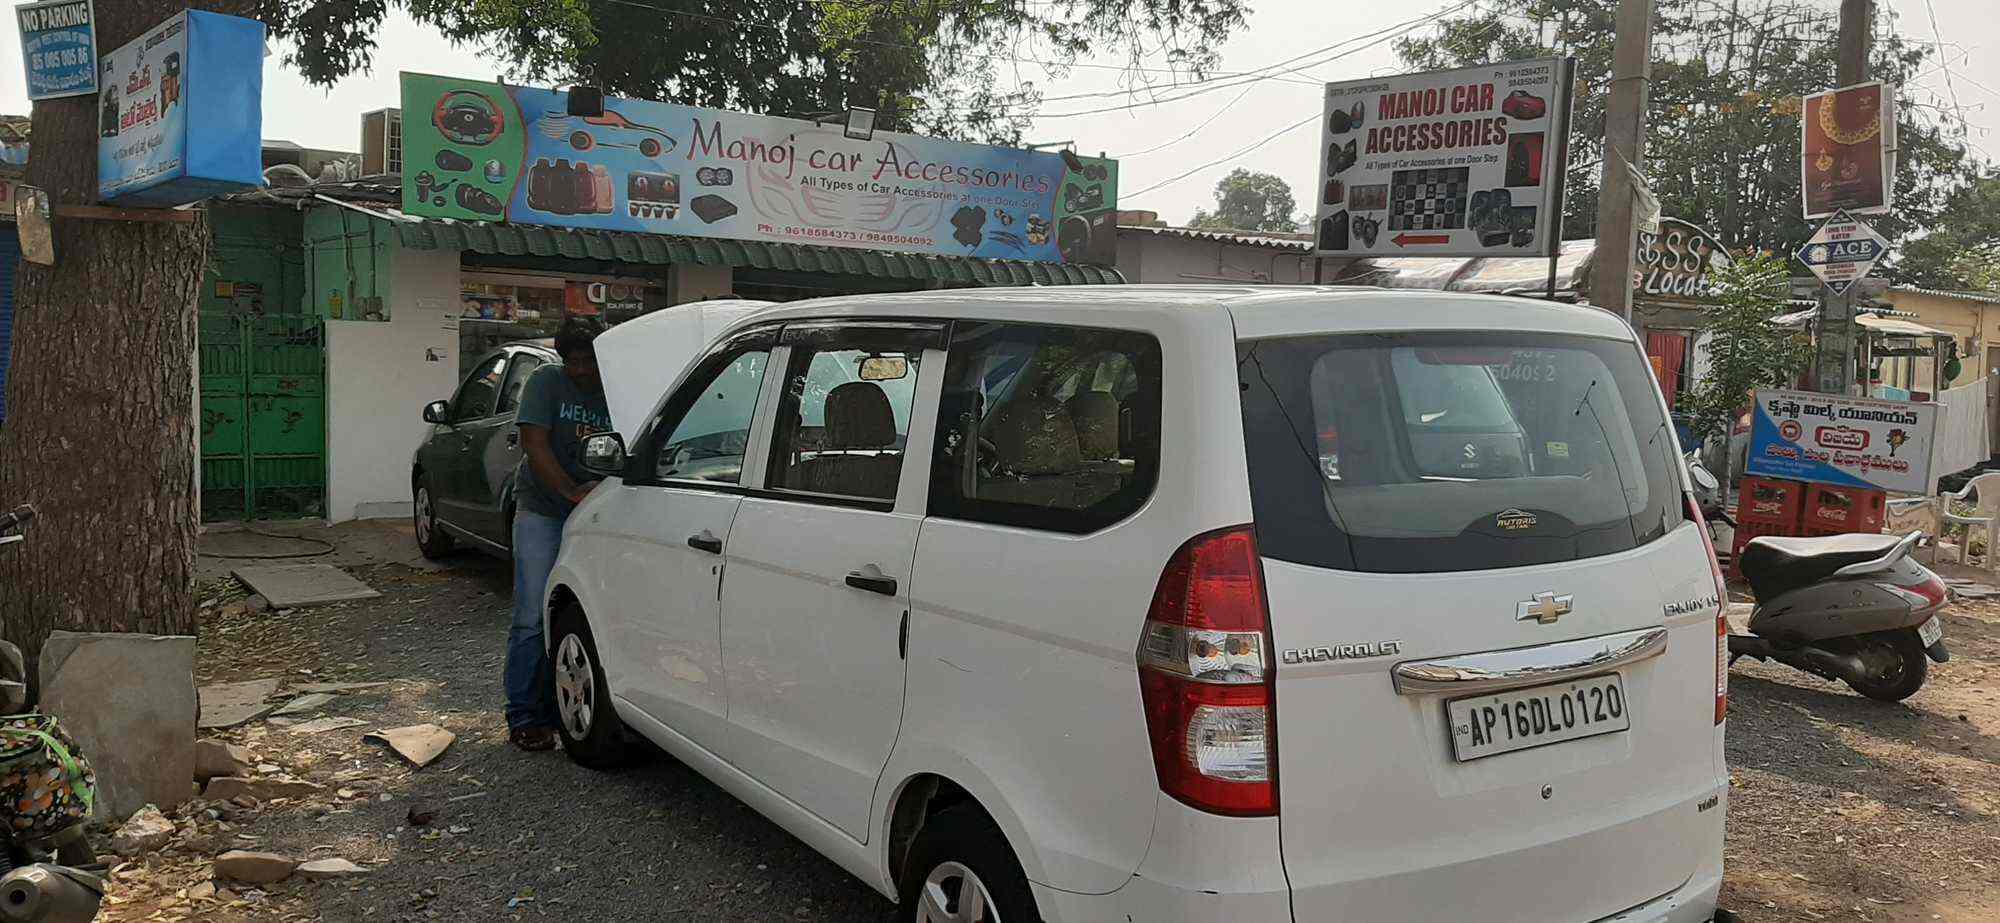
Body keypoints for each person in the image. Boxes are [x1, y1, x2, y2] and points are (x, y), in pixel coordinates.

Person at [505, 319, 611, 752]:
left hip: (600, 510)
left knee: (592, 612)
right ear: (562, 358)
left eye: (590, 361)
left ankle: (577, 708)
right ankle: (526, 716)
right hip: (544, 510)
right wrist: (570, 492)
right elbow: (535, 443)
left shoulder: (617, 383)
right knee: (532, 614)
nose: (583, 370)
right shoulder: (545, 381)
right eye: (575, 362)